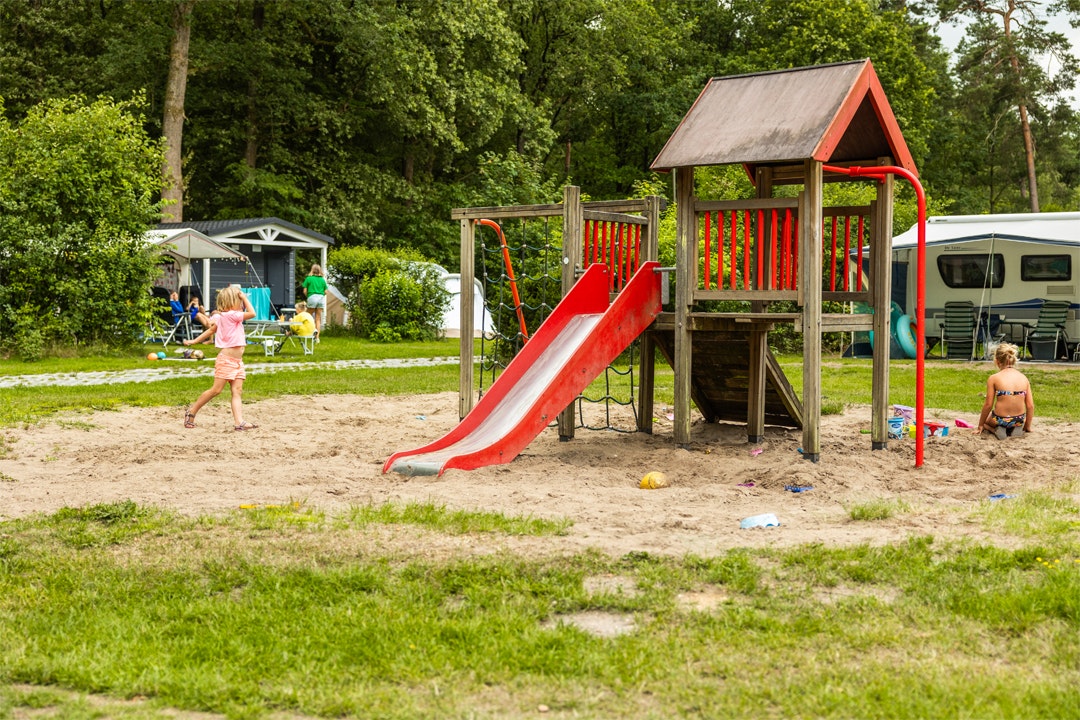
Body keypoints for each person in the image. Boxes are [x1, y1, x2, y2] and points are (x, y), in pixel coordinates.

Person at [182, 286, 258, 431]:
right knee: (216, 390)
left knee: (237, 391)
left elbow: (211, 330)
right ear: (233, 301)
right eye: (239, 301)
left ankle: (239, 422)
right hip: (227, 361)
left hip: (237, 362)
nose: (241, 304)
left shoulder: (223, 317)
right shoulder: (232, 315)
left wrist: (195, 341)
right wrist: (244, 297)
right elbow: (252, 313)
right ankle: (191, 412)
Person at [977, 342, 1034, 439]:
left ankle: (995, 430)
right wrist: (1027, 426)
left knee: (986, 423)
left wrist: (980, 425)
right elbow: (1030, 406)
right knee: (1018, 421)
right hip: (1018, 419)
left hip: (1000, 419)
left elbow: (988, 405)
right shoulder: (1024, 378)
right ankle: (1016, 428)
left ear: (997, 361)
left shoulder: (994, 378)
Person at [301, 263, 328, 339]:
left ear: (312, 270)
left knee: (307, 316)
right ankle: (317, 338)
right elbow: (326, 292)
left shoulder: (309, 279)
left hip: (312, 297)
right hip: (321, 299)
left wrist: (308, 297)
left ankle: (307, 333)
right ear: (319, 270)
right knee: (318, 318)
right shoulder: (322, 280)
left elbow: (304, 291)